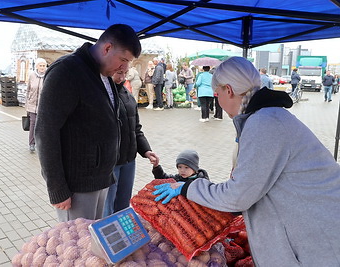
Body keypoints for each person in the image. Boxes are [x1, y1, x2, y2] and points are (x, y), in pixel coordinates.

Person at [153, 56, 340, 266]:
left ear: (229, 90)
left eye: (218, 93)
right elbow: (251, 184)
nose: (218, 101)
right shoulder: (265, 118)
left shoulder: (264, 123)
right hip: (311, 227)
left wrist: (189, 188)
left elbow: (239, 195)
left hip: (316, 237)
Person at [35, 24, 142, 222]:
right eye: (124, 60)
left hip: (102, 180)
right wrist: (57, 189)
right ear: (107, 48)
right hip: (77, 186)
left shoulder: (104, 74)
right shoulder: (66, 71)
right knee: (76, 247)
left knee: (93, 243)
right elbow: (45, 132)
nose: (125, 68)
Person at [103, 69, 159, 217]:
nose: (121, 77)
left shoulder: (128, 96)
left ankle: (121, 236)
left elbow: (136, 129)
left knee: (122, 205)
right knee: (107, 208)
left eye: (124, 73)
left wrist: (146, 150)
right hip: (110, 163)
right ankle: (107, 236)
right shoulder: (102, 96)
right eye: (118, 73)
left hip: (128, 161)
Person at [25, 58, 47, 152]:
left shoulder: (48, 75)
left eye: (44, 66)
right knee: (33, 124)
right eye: (40, 65)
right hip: (32, 105)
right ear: (37, 66)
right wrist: (27, 104)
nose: (42, 67)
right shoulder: (32, 75)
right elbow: (28, 90)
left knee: (42, 126)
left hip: (43, 106)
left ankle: (41, 144)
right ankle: (32, 144)